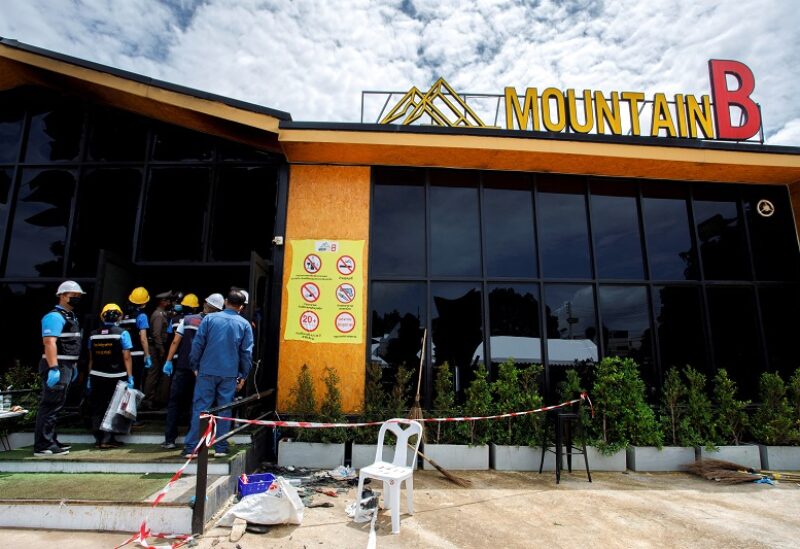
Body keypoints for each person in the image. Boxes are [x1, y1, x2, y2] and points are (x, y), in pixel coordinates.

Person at [182, 290, 253, 458]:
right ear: (242, 307)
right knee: (225, 409)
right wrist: (243, 375)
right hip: (229, 373)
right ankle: (221, 447)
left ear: (226, 301)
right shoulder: (244, 325)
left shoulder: (209, 319)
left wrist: (194, 365)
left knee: (201, 408)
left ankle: (192, 447)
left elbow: (198, 344)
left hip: (206, 370)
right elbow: (246, 353)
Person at [160, 293, 223, 449]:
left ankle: (170, 439)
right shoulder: (215, 324)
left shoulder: (186, 320)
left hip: (182, 366)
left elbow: (176, 341)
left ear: (204, 304)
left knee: (175, 402)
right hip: (202, 369)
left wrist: (168, 361)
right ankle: (194, 438)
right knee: (198, 403)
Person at [33, 280, 85, 457]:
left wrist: (73, 365)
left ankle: (50, 440)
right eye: (73, 296)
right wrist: (54, 367)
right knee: (50, 404)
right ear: (62, 296)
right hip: (57, 365)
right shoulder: (54, 317)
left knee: (57, 405)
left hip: (67, 365)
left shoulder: (71, 316)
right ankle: (43, 445)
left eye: (78, 296)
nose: (76, 298)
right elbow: (49, 342)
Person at [87, 303, 134, 449]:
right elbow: (126, 357)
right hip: (116, 375)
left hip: (96, 375)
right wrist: (130, 376)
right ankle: (108, 439)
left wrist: (89, 376)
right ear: (119, 316)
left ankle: (98, 438)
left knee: (98, 406)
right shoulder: (122, 333)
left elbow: (91, 358)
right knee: (113, 407)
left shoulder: (93, 334)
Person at [120, 287, 152, 391]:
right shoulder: (142, 316)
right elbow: (143, 338)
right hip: (137, 354)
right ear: (144, 303)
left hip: (124, 354)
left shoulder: (123, 315)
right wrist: (147, 355)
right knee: (136, 383)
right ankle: (132, 406)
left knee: (124, 382)